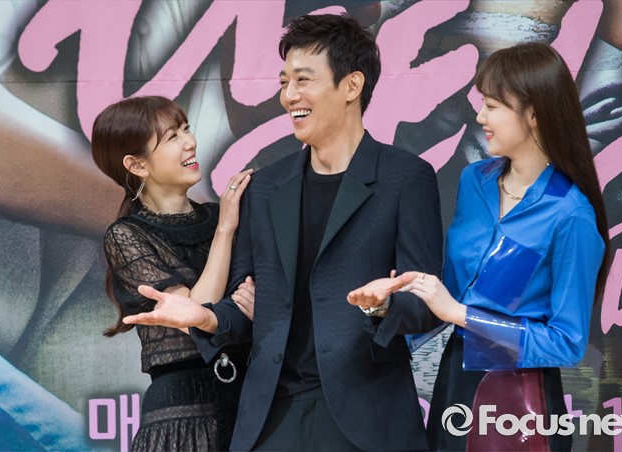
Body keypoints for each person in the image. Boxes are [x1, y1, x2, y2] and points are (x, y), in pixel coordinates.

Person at [124, 13, 443, 451]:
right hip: (272, 415)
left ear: (352, 86)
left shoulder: (405, 178)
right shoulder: (266, 186)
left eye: (303, 80)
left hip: (366, 412)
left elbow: (425, 303)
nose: (289, 95)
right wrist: (207, 317)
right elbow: (246, 304)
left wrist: (382, 305)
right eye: (284, 81)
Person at [349, 42, 611, 451]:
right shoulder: (475, 181)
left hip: (520, 403)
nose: (480, 116)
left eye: (492, 106)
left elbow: (566, 343)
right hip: (456, 380)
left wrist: (460, 314)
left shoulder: (570, 213)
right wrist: (390, 299)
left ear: (534, 113)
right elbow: (453, 292)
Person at [91, 95, 254, 451]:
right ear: (137, 165)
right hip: (182, 414)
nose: (190, 142)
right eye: (172, 137)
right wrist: (225, 229)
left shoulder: (223, 214)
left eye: (186, 129)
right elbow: (194, 314)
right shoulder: (126, 236)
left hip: (251, 400)